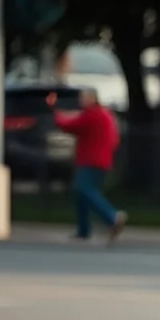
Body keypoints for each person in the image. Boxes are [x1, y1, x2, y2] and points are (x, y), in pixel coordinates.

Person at [49, 89, 125, 243]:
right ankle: (83, 230)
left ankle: (112, 217)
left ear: (92, 99)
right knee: (81, 195)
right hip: (101, 160)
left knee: (84, 189)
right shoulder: (105, 114)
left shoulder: (92, 115)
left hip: (90, 160)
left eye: (84, 98)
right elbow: (114, 139)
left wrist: (54, 111)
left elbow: (69, 125)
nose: (81, 101)